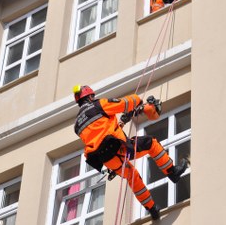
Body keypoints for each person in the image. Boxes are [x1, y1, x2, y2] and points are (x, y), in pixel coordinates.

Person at [72, 85, 188, 220]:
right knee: (151, 144)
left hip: (108, 160)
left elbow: (101, 133)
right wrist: (137, 101)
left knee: (132, 176)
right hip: (120, 148)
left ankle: (152, 209)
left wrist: (122, 121)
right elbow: (125, 103)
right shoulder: (98, 105)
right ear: (90, 97)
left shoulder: (77, 126)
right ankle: (172, 172)